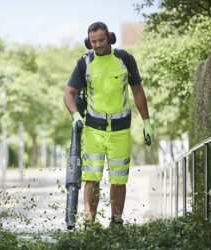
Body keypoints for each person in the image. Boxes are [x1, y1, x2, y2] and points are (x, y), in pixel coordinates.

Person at [63, 22, 153, 228]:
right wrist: (75, 115)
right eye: (93, 41)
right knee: (91, 178)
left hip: (121, 130)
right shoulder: (84, 63)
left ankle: (116, 221)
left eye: (101, 40)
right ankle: (89, 223)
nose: (97, 45)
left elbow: (138, 90)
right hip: (94, 130)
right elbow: (68, 93)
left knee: (119, 179)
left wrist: (147, 121)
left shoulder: (125, 59)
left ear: (109, 38)